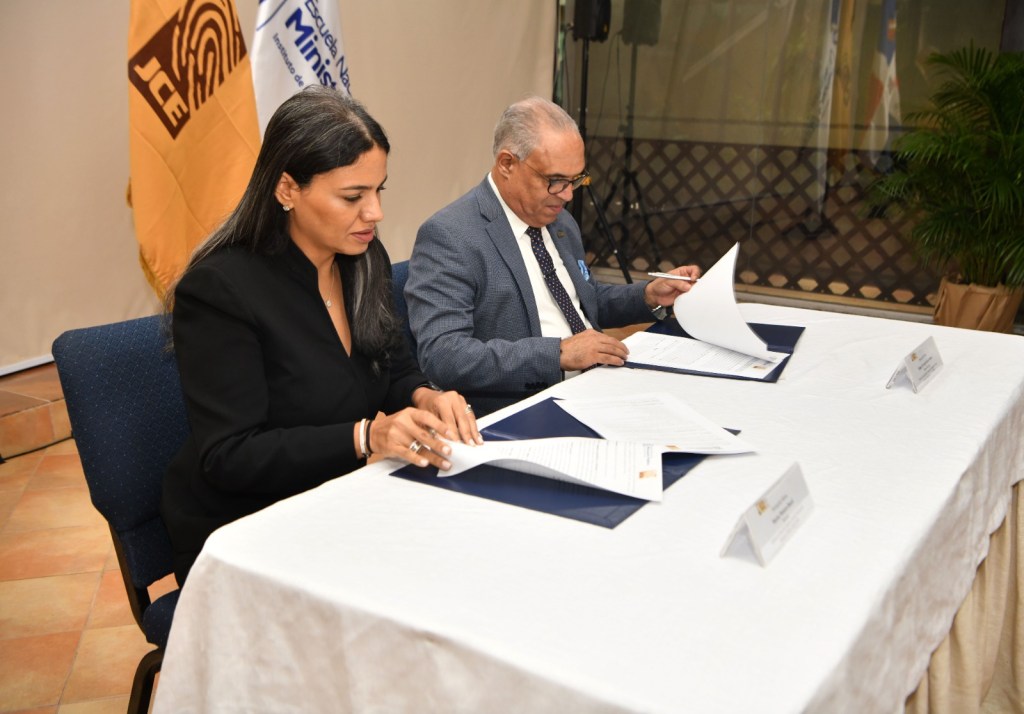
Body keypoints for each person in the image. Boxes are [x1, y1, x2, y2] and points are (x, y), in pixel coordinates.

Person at [161, 86, 480, 585]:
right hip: (249, 525)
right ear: (287, 189)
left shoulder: (363, 258)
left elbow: (392, 365)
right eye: (353, 197)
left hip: (345, 497)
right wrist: (365, 437)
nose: (374, 213)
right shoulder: (220, 290)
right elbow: (231, 455)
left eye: (379, 191)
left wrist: (426, 396)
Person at [405, 96, 701, 416]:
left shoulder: (559, 220)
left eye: (575, 180)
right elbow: (444, 356)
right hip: (526, 407)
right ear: (507, 164)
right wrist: (557, 354)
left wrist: (648, 296)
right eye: (555, 181)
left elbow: (585, 299)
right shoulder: (451, 235)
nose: (568, 195)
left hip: (598, 386)